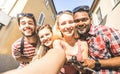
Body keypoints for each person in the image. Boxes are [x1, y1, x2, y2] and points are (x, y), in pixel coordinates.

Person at [73, 5, 120, 74]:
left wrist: (97, 63)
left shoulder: (106, 32)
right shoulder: (76, 37)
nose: (80, 23)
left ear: (90, 19)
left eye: (84, 19)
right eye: (77, 21)